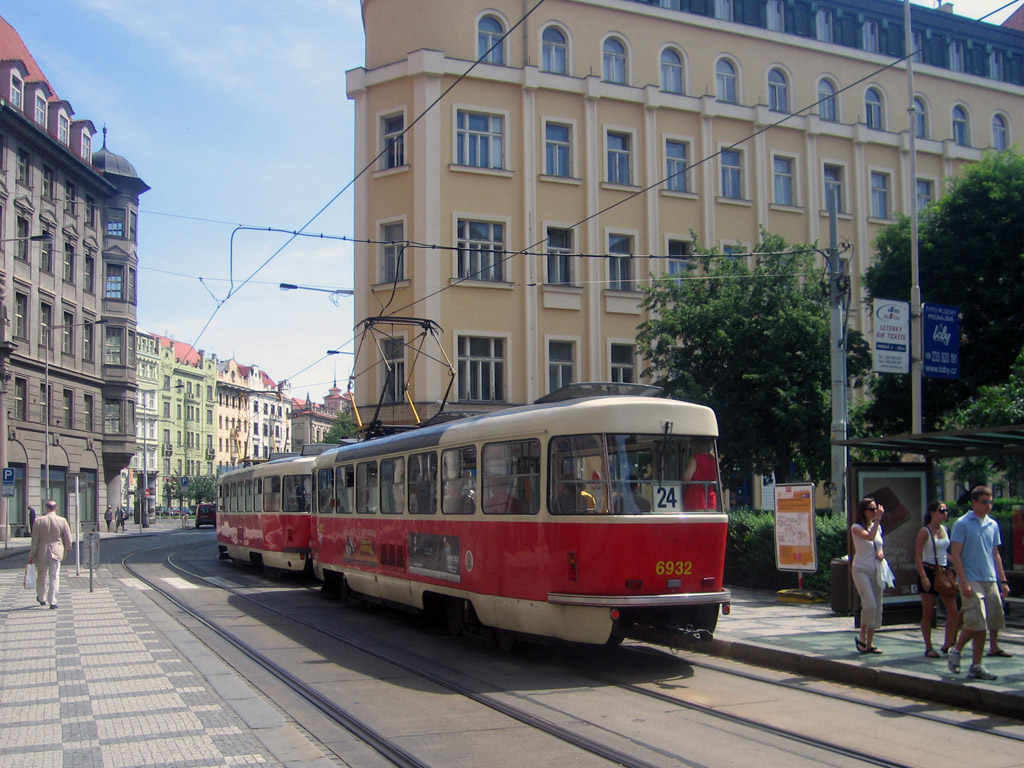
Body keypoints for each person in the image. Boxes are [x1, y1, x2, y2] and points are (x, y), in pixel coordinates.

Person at [947, 485, 1012, 680]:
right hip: (971, 578)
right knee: (977, 620)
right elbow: (956, 554)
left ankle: (976, 665)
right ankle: (956, 650)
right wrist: (963, 581)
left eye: (990, 502)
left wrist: (1003, 580)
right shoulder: (962, 524)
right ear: (974, 502)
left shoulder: (993, 524)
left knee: (989, 620)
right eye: (984, 502)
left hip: (989, 578)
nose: (988, 506)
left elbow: (995, 554)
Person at [914, 501, 960, 657]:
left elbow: (943, 551)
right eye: (941, 510)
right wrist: (923, 577)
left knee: (953, 610)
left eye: (946, 511)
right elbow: (918, 555)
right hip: (929, 570)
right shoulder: (924, 532)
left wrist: (955, 560)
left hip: (944, 571)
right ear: (932, 513)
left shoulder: (945, 530)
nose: (945, 514)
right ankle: (928, 646)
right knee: (928, 611)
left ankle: (948, 642)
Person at [851, 496, 886, 654]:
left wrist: (880, 552)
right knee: (869, 604)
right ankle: (862, 637)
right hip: (861, 569)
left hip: (876, 569)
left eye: (875, 509)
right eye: (871, 509)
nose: (874, 512)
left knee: (877, 605)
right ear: (863, 511)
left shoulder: (877, 527)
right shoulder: (856, 527)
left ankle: (870, 642)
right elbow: (869, 536)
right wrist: (877, 520)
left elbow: (878, 543)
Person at [27, 500, 73, 609]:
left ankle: (41, 598)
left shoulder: (38, 521)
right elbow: (67, 537)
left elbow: (35, 540)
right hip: (56, 551)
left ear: (46, 508)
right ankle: (53, 601)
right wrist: (68, 548)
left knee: (41, 576)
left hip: (41, 552)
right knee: (54, 576)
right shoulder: (62, 521)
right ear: (56, 508)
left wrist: (32, 554)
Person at [683, 444, 718, 511]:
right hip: (711, 499)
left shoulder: (695, 458)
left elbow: (687, 478)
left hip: (696, 498)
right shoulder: (714, 460)